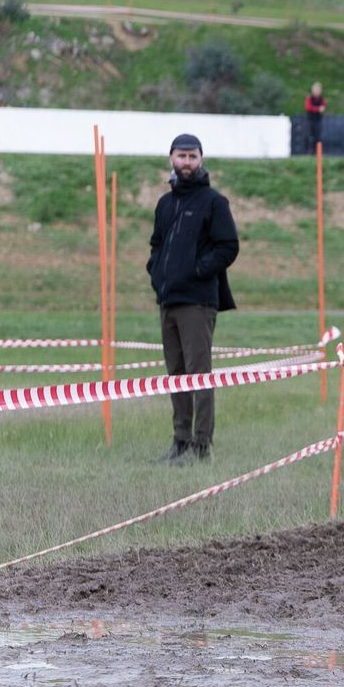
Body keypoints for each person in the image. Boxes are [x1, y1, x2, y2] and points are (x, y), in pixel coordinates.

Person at [147, 133, 238, 466]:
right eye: (181, 156)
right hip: (168, 300)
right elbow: (156, 245)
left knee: (200, 374)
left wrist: (197, 270)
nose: (186, 162)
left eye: (192, 156)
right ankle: (180, 441)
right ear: (171, 158)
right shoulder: (165, 204)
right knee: (177, 374)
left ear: (201, 160)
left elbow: (228, 247)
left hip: (198, 302)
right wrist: (157, 275)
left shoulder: (214, 202)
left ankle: (201, 445)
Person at [304, 82, 327, 152]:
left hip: (318, 120)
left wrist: (317, 109)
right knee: (309, 136)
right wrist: (317, 109)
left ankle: (317, 152)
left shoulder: (322, 99)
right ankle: (308, 151)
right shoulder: (309, 98)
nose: (317, 91)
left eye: (318, 89)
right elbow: (308, 107)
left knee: (318, 137)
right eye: (316, 89)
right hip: (310, 120)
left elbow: (323, 108)